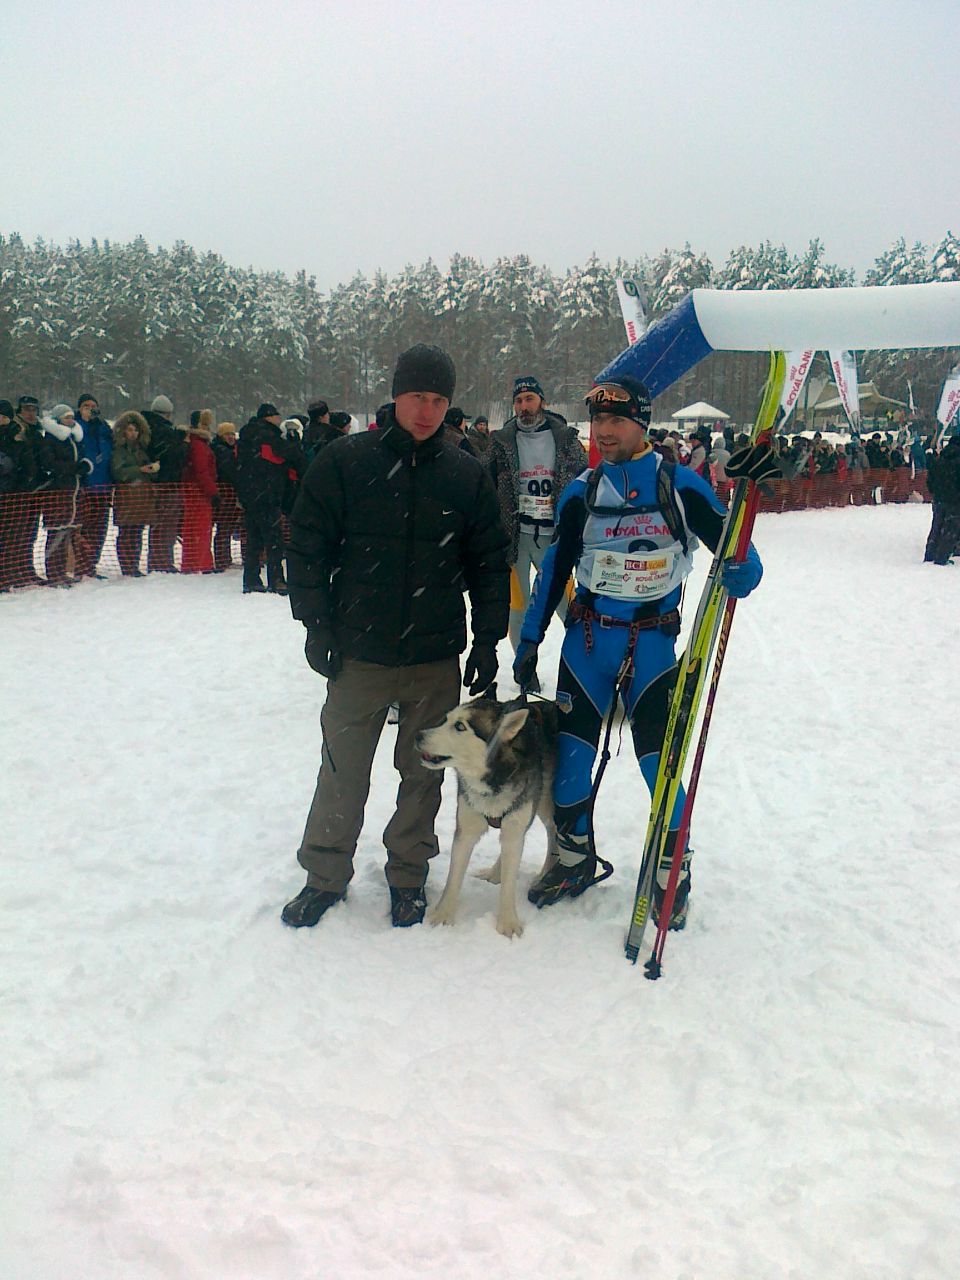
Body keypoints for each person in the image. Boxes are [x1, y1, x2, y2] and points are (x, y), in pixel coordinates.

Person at [512, 375, 764, 928]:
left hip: (651, 650)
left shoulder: (680, 485)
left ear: (641, 424)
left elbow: (738, 552)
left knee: (661, 769)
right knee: (570, 769)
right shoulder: (582, 489)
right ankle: (573, 862)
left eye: (616, 421)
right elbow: (553, 570)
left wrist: (744, 568)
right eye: (597, 421)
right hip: (585, 646)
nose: (604, 432)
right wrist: (529, 640)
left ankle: (672, 872)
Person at [281, 343, 509, 930]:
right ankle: (324, 875)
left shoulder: (465, 473)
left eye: (438, 400)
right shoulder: (344, 461)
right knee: (342, 770)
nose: (427, 411)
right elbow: (307, 544)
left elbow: (488, 561)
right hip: (359, 652)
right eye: (417, 397)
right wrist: (316, 623)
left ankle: (408, 875)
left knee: (424, 772)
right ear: (395, 396)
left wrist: (487, 639)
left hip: (434, 657)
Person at [487, 375, 587, 671]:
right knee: (516, 609)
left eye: (529, 399)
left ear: (542, 402)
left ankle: (583, 663)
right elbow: (482, 481)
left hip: (554, 538)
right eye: (518, 401)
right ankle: (524, 667)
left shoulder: (566, 438)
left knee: (568, 605)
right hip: (516, 538)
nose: (524, 407)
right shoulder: (501, 441)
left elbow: (585, 480)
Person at [236, 402, 300, 594]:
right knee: (274, 541)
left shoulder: (246, 437)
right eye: (277, 415)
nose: (279, 419)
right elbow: (289, 456)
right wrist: (293, 441)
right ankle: (277, 579)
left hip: (249, 495)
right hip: (267, 494)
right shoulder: (268, 436)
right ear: (269, 417)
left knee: (254, 540)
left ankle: (251, 579)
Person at [39, 405, 92, 585]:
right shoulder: (51, 439)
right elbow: (49, 464)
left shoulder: (74, 438)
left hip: (73, 491)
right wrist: (71, 469)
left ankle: (61, 570)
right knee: (56, 532)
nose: (70, 420)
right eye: (66, 417)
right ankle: (53, 572)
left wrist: (85, 465)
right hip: (58, 492)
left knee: (67, 533)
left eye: (71, 417)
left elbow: (81, 456)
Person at [142, 394, 187, 572]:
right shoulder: (165, 431)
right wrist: (181, 441)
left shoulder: (146, 427)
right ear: (168, 414)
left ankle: (157, 560)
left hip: (154, 481)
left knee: (158, 526)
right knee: (167, 525)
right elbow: (174, 455)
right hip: (168, 482)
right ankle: (162, 562)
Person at [110, 411, 158, 576]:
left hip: (141, 496)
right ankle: (126, 565)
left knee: (137, 531)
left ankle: (134, 564)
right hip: (126, 496)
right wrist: (139, 470)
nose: (133, 433)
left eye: (135, 430)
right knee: (126, 532)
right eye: (130, 430)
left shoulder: (141, 450)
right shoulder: (119, 450)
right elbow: (118, 472)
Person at [74, 394, 113, 578]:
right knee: (83, 528)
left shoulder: (104, 427)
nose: (90, 409)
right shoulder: (76, 427)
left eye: (93, 405)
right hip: (85, 486)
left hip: (103, 486)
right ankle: (80, 565)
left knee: (99, 529)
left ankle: (91, 565)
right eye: (86, 405)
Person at [180, 409, 218, 573]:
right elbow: (202, 471)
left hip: (194, 490)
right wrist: (213, 492)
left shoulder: (195, 443)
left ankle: (194, 562)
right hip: (198, 492)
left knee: (194, 528)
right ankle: (200, 562)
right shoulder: (199, 446)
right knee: (200, 528)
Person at [211, 421, 243, 571]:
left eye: (232, 434)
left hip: (230, 491)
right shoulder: (222, 451)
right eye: (227, 434)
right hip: (225, 491)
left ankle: (224, 556)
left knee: (228, 526)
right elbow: (229, 470)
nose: (230, 437)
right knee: (224, 526)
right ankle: (221, 558)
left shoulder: (231, 450)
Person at [924, 433, 960, 564]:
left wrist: (936, 492)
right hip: (955, 501)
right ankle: (941, 558)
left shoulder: (939, 460)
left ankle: (930, 554)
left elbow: (930, 480)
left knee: (937, 527)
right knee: (951, 530)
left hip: (939, 499)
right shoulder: (957, 461)